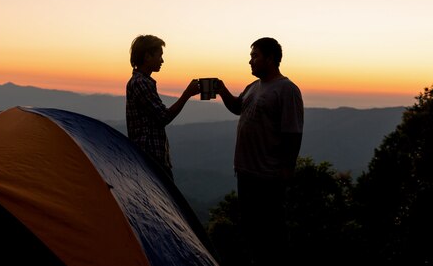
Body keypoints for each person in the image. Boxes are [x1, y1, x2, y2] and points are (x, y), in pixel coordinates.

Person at [217, 37, 304, 266]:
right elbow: (238, 107)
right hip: (246, 172)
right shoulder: (253, 86)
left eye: (255, 56)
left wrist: (287, 169)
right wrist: (221, 89)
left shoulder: (287, 90)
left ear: (271, 59)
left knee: (271, 234)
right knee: (252, 231)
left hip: (268, 175)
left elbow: (293, 133)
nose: (250, 61)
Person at [125, 34, 200, 180]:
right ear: (147, 56)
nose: (162, 61)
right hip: (150, 158)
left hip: (150, 157)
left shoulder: (141, 82)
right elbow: (164, 117)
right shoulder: (141, 83)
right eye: (159, 56)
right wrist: (187, 94)